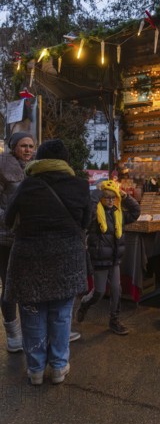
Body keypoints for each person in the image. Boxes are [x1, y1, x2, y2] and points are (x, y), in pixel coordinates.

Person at [4, 139, 91, 385]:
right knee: (61, 316)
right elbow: (86, 222)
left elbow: (8, 220)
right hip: (67, 261)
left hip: (29, 260)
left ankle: (35, 370)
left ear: (40, 159)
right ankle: (59, 367)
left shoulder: (26, 186)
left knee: (32, 316)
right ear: (65, 161)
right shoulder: (80, 186)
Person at [76, 180, 140, 335]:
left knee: (116, 290)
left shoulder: (119, 213)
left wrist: (125, 196)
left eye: (113, 198)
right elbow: (88, 211)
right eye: (107, 198)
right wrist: (97, 192)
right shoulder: (94, 215)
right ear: (102, 198)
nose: (111, 201)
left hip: (114, 259)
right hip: (99, 259)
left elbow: (135, 212)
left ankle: (114, 320)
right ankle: (85, 303)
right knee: (98, 292)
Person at [0, 132, 35, 353]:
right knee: (9, 285)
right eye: (24, 146)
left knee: (27, 284)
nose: (28, 150)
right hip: (4, 237)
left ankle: (31, 330)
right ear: (13, 147)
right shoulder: (3, 167)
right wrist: (9, 219)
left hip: (27, 236)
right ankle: (13, 334)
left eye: (31, 146)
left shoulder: (33, 170)